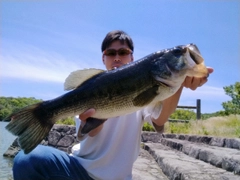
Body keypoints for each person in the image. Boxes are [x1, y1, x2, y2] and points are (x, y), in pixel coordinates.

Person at [13, 30, 214, 180]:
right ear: (103, 58)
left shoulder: (150, 89)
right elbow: (91, 132)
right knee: (27, 160)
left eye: (123, 52)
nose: (117, 57)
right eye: (111, 53)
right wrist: (95, 116)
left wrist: (181, 81)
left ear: (132, 57)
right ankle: (41, 114)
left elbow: (160, 119)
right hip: (78, 171)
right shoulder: (89, 88)